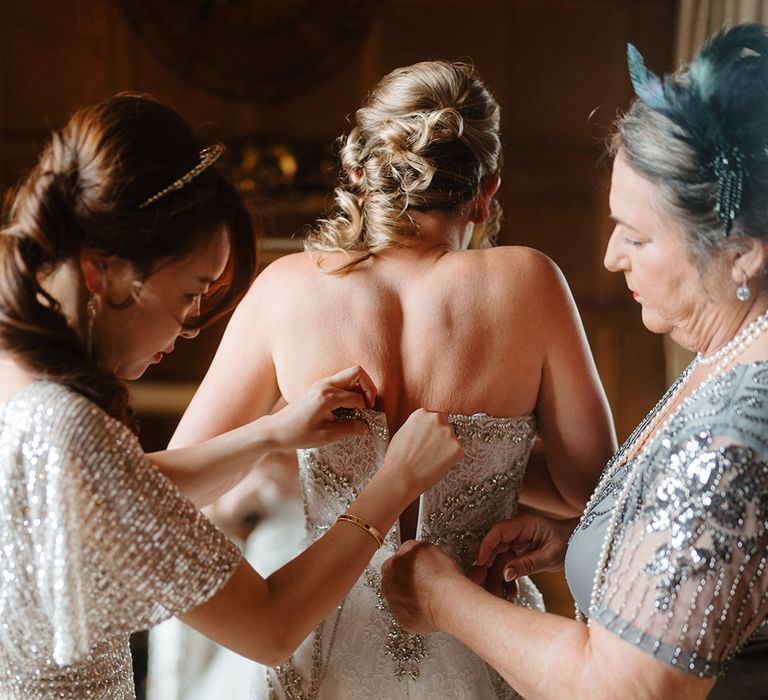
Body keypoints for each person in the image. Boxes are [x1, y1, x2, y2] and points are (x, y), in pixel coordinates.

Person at [171, 61, 616, 699]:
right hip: (481, 650)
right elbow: (590, 489)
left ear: (361, 173)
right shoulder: (530, 283)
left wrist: (275, 436)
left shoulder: (287, 289)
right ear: (487, 190)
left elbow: (174, 484)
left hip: (323, 645)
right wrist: (496, 456)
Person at [0, 94, 463, 700]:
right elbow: (270, 627)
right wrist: (395, 481)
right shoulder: (67, 422)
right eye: (190, 293)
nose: (190, 325)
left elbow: (123, 490)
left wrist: (269, 433)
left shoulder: (22, 381)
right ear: (101, 271)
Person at [381, 24, 768, 700]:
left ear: (743, 252)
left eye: (638, 236)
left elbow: (625, 690)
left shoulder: (742, 427)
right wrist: (580, 543)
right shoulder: (731, 354)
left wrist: (444, 600)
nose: (611, 257)